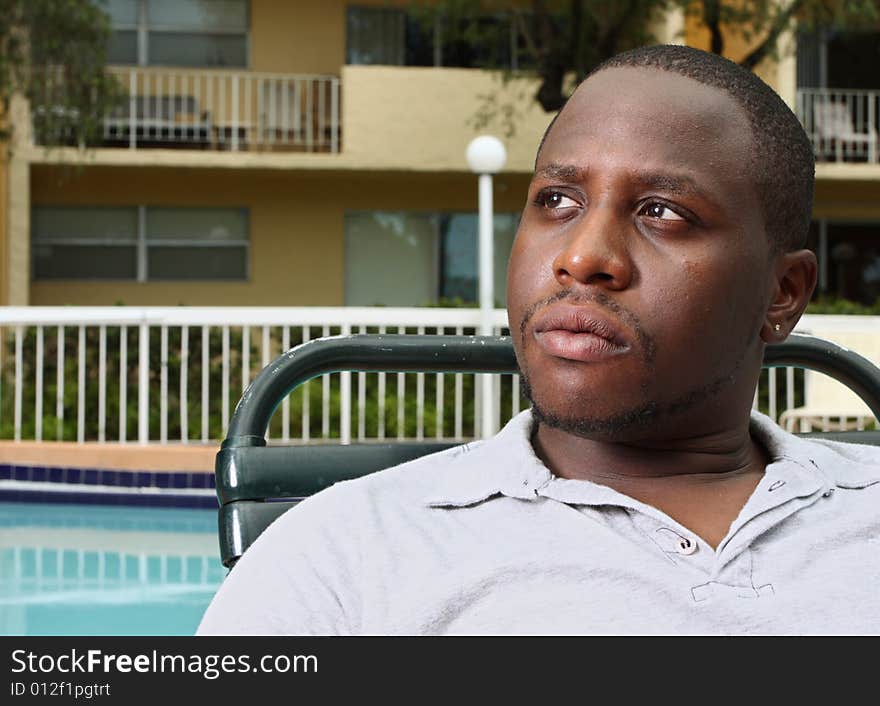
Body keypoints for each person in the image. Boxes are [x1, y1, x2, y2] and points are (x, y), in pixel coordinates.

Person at [197, 44, 880, 636]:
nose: (583, 257)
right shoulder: (344, 553)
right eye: (557, 200)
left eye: (662, 212)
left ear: (782, 292)